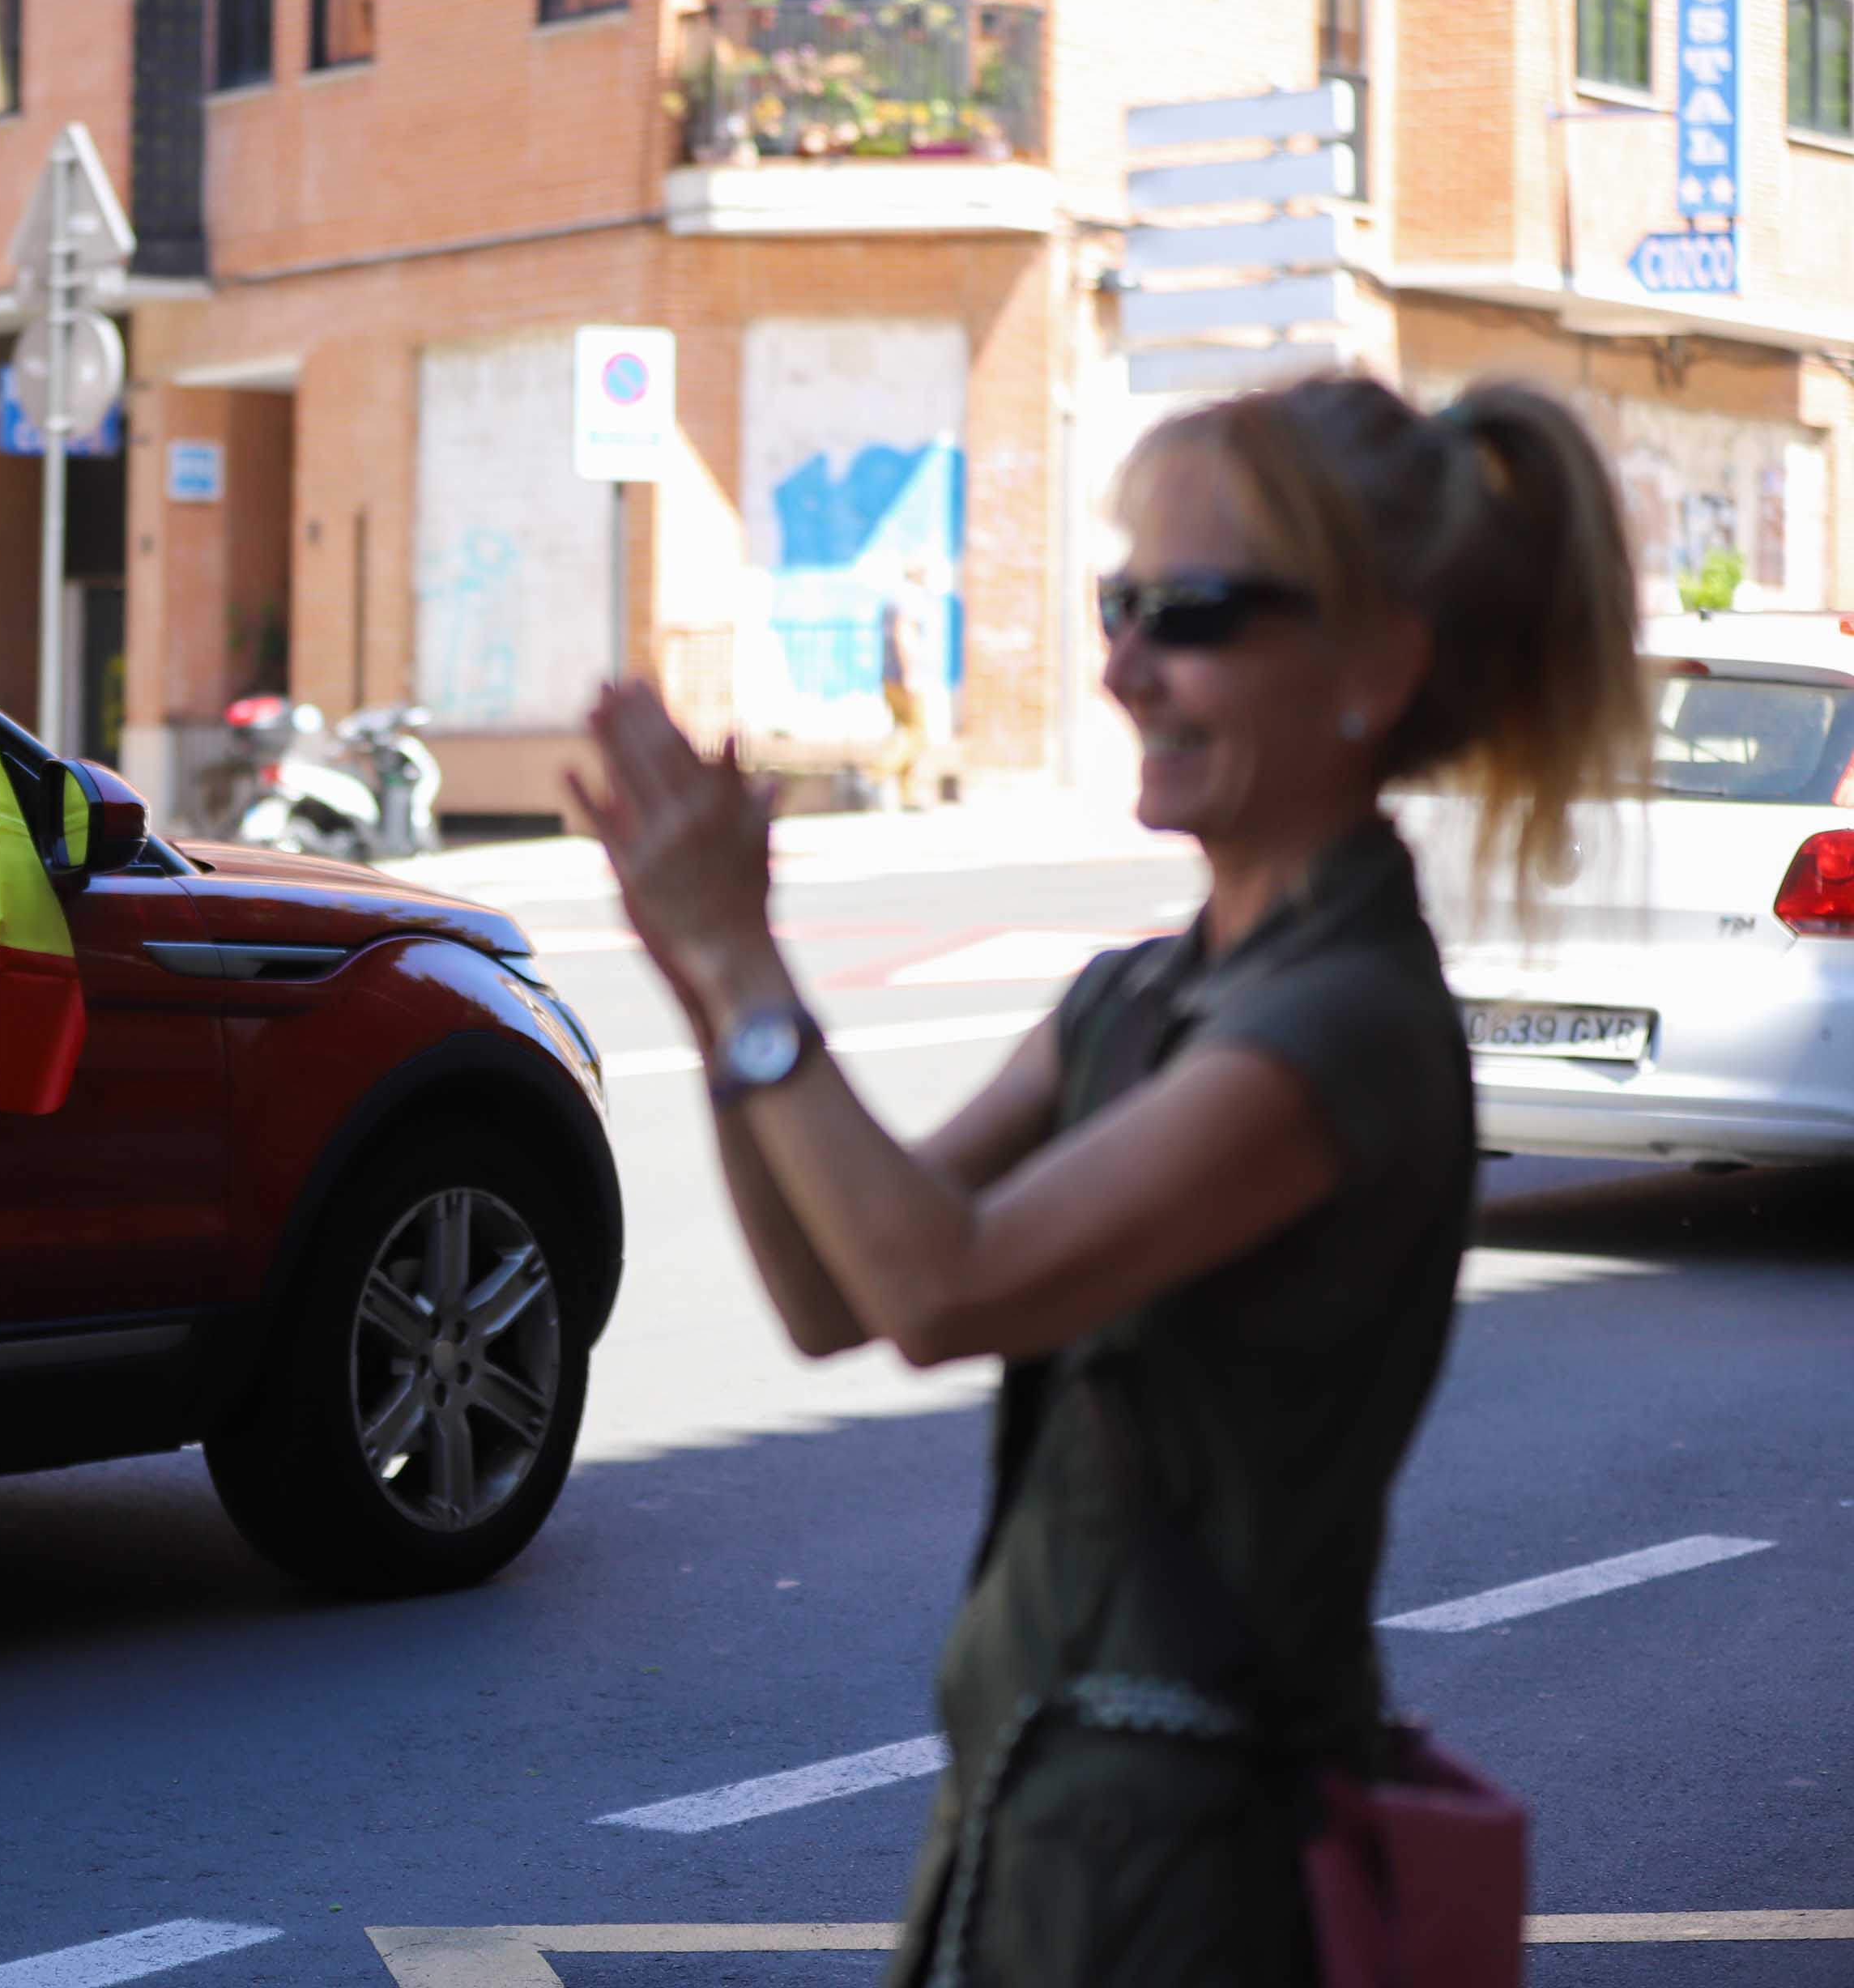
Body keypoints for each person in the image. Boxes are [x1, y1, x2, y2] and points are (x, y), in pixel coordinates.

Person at [570, 376, 1642, 1986]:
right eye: (1117, 603)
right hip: (1046, 1838)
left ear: (1375, 666)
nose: (1122, 667)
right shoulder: (1137, 996)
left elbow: (941, 1289)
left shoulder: (1340, 1027)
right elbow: (827, 1291)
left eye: (1191, 614)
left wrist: (745, 961)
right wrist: (709, 981)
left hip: (1192, 1885)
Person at [878, 567, 931, 811]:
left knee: (903, 729)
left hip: (890, 675)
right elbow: (904, 635)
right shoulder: (910, 598)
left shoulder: (893, 598)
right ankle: (874, 774)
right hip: (903, 676)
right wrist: (911, 673)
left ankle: (908, 795)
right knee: (916, 732)